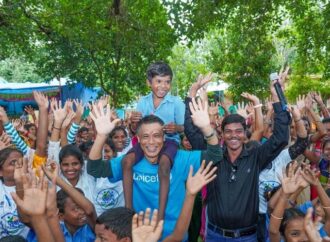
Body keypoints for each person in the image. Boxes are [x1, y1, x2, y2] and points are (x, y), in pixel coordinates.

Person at [87, 97, 221, 240]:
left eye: (157, 136)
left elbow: (215, 155)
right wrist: (101, 136)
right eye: (145, 136)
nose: (151, 142)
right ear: (138, 140)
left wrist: (207, 127)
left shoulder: (181, 159)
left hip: (174, 237)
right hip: (140, 237)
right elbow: (94, 169)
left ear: (164, 138)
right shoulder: (131, 161)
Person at [205, 78, 291, 241]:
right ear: (222, 134)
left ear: (245, 133)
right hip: (214, 235)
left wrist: (276, 97)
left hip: (246, 237)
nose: (233, 135)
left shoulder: (255, 156)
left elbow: (281, 138)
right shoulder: (213, 158)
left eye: (238, 131)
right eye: (228, 131)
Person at [122, 61, 185, 221]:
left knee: (164, 164)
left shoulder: (176, 102)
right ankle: (128, 210)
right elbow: (136, 130)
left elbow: (185, 127)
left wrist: (175, 128)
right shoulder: (143, 102)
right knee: (127, 161)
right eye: (158, 81)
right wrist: (134, 121)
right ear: (149, 83)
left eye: (167, 82)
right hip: (146, 143)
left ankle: (161, 214)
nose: (163, 86)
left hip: (169, 142)